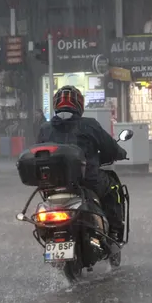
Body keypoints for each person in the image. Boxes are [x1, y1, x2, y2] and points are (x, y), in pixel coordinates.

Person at [36, 86, 128, 242]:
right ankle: (114, 233)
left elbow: (39, 153)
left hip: (53, 184)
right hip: (89, 180)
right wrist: (120, 153)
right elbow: (110, 148)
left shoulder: (45, 128)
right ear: (79, 105)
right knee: (114, 190)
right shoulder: (89, 125)